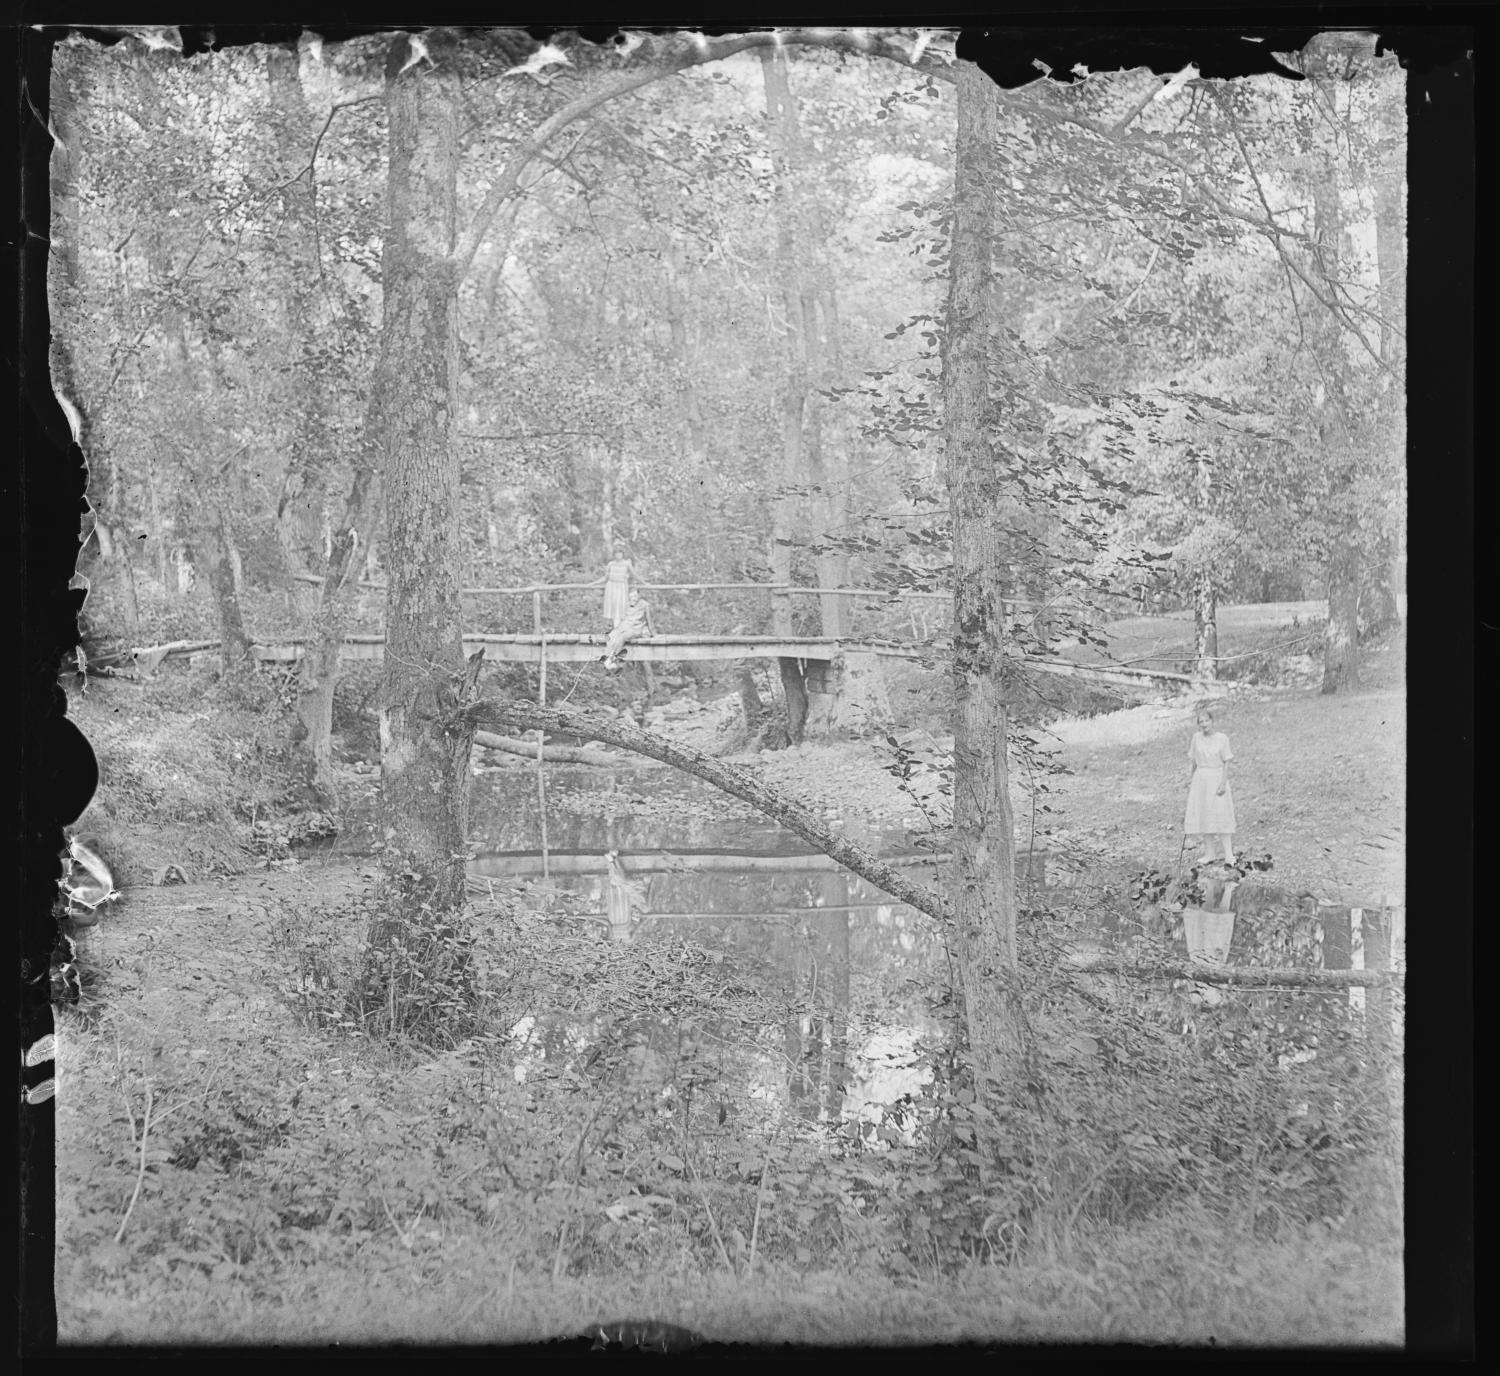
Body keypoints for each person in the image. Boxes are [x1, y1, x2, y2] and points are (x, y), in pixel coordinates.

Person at [1185, 705, 1237, 864]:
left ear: (1212, 721)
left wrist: (1223, 783)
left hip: (1217, 777)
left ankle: (1229, 854)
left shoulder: (1222, 738)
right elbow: (1193, 760)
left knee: (1221, 814)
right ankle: (1210, 853)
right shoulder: (1196, 738)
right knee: (1204, 815)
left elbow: (1227, 762)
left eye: (1207, 721)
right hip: (1201, 780)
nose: (1204, 724)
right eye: (1201, 722)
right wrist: (1190, 779)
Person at [603, 588, 655, 672]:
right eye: (631, 596)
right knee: (611, 636)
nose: (633, 598)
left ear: (639, 595)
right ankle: (608, 658)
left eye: (635, 596)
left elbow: (650, 620)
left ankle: (612, 658)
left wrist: (654, 634)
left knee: (623, 637)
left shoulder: (645, 605)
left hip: (635, 628)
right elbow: (619, 618)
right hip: (623, 627)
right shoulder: (626, 604)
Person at [600, 547, 636, 628]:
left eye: (620, 553)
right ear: (614, 555)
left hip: (621, 586)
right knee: (612, 605)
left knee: (621, 605)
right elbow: (605, 578)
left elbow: (634, 574)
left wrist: (645, 583)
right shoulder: (610, 564)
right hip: (611, 586)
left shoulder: (627, 564)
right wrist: (592, 584)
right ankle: (613, 627)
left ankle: (619, 628)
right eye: (616, 553)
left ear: (623, 554)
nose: (618, 555)